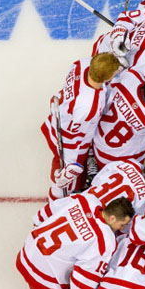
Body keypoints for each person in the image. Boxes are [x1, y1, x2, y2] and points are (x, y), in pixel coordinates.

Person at [16, 195, 134, 289]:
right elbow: (83, 277)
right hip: (43, 275)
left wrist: (39, 225)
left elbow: (49, 209)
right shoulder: (105, 240)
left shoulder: (86, 200)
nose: (123, 228)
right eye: (122, 224)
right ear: (112, 218)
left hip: (28, 250)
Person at [41, 53, 121, 201]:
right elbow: (71, 137)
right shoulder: (86, 106)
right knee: (68, 180)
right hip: (68, 140)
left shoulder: (81, 64)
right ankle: (55, 203)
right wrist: (69, 166)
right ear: (106, 79)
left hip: (59, 119)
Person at [85, 155, 145, 232]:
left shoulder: (130, 163)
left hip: (82, 201)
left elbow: (96, 180)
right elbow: (129, 228)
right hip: (96, 225)